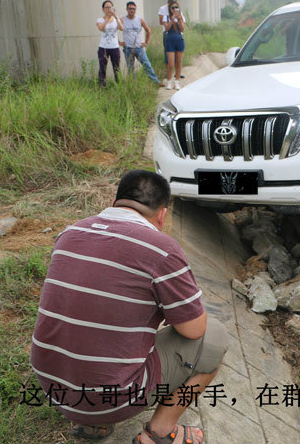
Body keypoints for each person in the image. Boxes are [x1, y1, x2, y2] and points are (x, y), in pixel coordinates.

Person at [30, 170, 227, 444]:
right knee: (214, 338)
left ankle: (89, 426)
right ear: (162, 214)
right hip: (110, 397)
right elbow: (195, 330)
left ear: (116, 201)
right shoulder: (162, 249)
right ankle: (159, 433)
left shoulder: (70, 233)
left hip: (55, 389)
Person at [121, 1, 164, 86]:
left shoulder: (139, 19)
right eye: (130, 9)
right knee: (130, 68)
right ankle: (132, 84)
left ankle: (156, 82)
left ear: (135, 9)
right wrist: (119, 42)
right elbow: (113, 29)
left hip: (138, 48)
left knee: (147, 64)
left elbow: (148, 30)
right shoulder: (122, 20)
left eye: (133, 9)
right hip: (128, 48)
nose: (132, 10)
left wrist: (146, 42)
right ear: (127, 9)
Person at [96, 0, 124, 87]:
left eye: (110, 7)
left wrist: (116, 17)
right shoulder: (100, 19)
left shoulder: (117, 19)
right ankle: (102, 85)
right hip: (103, 47)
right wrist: (107, 18)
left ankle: (119, 85)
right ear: (103, 9)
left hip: (114, 47)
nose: (109, 9)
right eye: (107, 7)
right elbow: (101, 28)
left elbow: (121, 28)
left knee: (116, 67)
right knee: (102, 67)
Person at [161, 0, 186, 90]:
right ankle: (169, 81)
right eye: (172, 8)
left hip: (179, 40)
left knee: (179, 62)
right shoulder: (166, 17)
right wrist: (172, 19)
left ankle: (177, 81)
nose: (174, 9)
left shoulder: (181, 17)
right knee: (170, 64)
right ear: (169, 9)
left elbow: (182, 29)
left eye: (176, 8)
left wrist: (179, 19)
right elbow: (166, 28)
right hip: (170, 41)